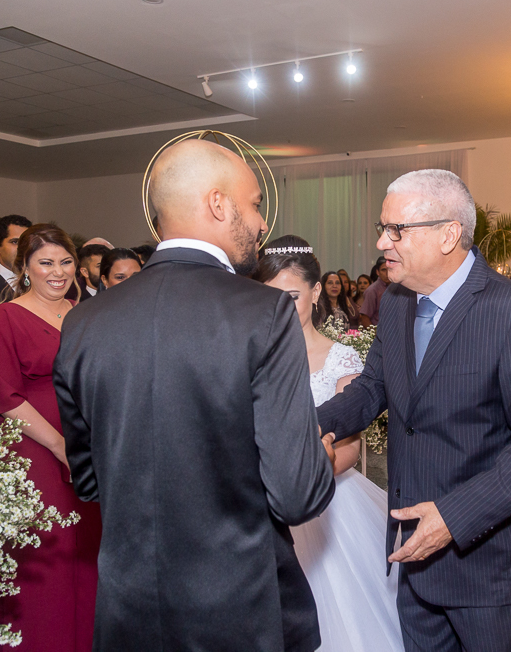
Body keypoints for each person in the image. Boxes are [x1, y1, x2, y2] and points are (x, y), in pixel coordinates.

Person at [53, 139, 335, 651]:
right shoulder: (265, 313)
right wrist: (320, 453)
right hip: (238, 607)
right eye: (253, 205)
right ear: (218, 204)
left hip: (128, 610)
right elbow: (297, 494)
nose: (260, 223)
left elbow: (89, 481)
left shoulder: (83, 322)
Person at [317, 169, 511, 652]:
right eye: (381, 227)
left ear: (448, 234)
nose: (381, 242)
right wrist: (308, 425)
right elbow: (373, 387)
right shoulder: (394, 302)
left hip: (484, 560)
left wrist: (454, 517)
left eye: (396, 230)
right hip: (411, 549)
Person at [256, 236, 404, 651]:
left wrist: (303, 478)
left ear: (317, 291)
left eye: (291, 296)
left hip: (327, 499)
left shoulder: (340, 357)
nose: (280, 308)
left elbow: (352, 447)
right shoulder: (251, 358)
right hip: (263, 504)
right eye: (270, 298)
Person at [0, 224, 100, 652]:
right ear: (25, 267)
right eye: (45, 263)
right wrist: (58, 445)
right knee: (47, 555)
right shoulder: (5, 317)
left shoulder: (84, 313)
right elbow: (3, 395)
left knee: (88, 553)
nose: (58, 271)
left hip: (89, 448)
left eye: (65, 261)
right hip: (34, 453)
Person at [359, 257, 390, 327]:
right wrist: (374, 335)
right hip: (379, 333)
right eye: (383, 270)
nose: (387, 273)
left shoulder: (398, 287)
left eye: (390, 269)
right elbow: (365, 317)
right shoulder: (372, 290)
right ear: (377, 272)